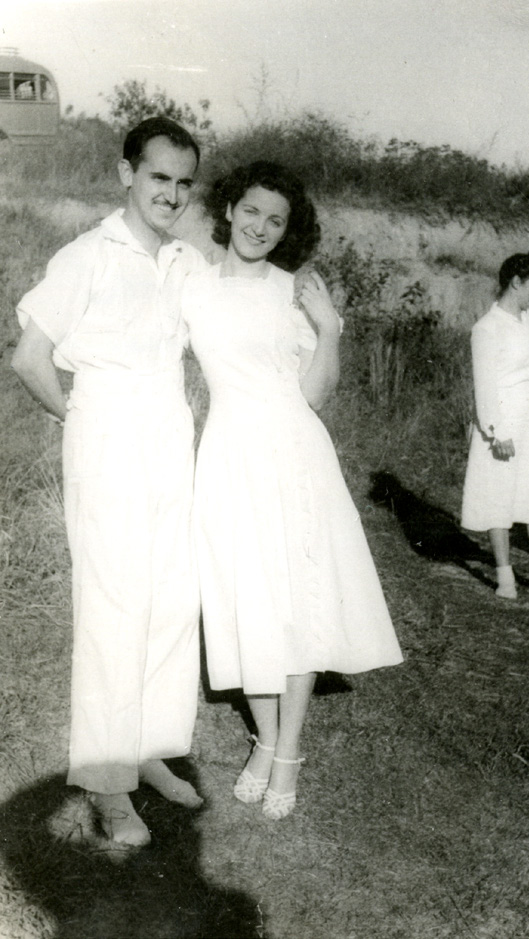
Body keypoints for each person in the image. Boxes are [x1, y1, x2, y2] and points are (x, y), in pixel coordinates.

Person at [182, 161, 403, 820]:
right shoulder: (192, 286)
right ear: (228, 210)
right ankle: (265, 737)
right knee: (242, 593)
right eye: (250, 211)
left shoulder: (294, 291)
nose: (259, 227)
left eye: (275, 220)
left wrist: (329, 328)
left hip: (293, 452)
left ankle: (287, 754)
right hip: (226, 454)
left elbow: (312, 392)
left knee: (297, 598)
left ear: (287, 231)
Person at [11, 117, 206, 847]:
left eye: (185, 182)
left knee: (168, 600)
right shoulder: (87, 255)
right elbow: (32, 358)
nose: (172, 193)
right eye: (159, 177)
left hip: (169, 439)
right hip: (108, 439)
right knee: (115, 606)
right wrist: (77, 420)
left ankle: (150, 748)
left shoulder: (183, 260)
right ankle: (107, 784)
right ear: (127, 174)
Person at [461, 252, 529, 603]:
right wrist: (496, 431)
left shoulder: (527, 320)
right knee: (499, 494)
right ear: (516, 283)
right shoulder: (486, 328)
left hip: (528, 417)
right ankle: (505, 576)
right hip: (502, 417)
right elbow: (486, 385)